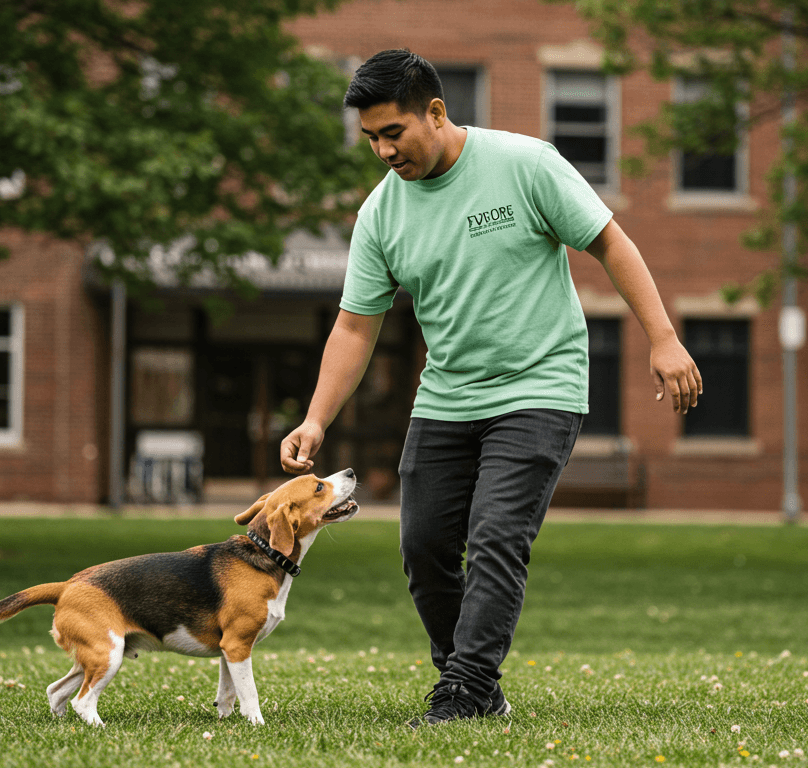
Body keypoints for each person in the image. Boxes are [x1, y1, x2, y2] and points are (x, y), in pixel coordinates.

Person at [279, 49, 702, 727]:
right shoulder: (382, 213)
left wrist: (664, 337)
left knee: (497, 535)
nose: (383, 151)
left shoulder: (524, 164)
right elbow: (355, 327)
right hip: (447, 396)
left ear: (435, 112)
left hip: (541, 385)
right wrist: (316, 419)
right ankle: (476, 686)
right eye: (371, 138)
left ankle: (466, 689)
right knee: (424, 548)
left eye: (394, 132)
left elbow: (610, 243)